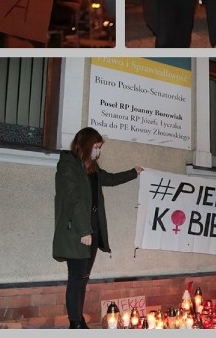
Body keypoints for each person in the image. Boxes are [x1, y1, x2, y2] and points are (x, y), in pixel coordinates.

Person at [53, 127, 143, 329]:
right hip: (77, 231)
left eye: (99, 147)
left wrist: (133, 173)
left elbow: (109, 179)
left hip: (91, 228)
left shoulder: (91, 168)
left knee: (83, 278)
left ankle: (79, 319)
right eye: (96, 147)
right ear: (85, 145)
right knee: (76, 278)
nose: (98, 152)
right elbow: (73, 200)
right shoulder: (68, 165)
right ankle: (75, 323)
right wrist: (84, 230)